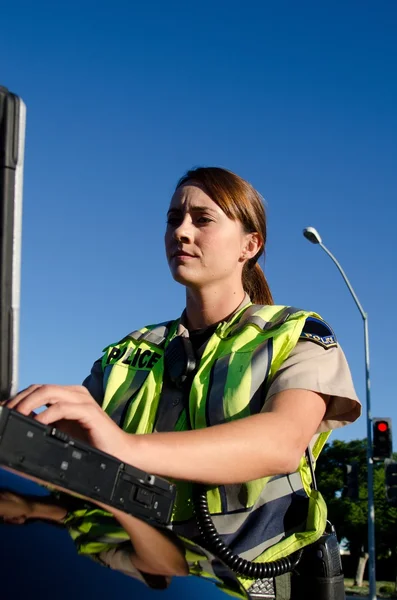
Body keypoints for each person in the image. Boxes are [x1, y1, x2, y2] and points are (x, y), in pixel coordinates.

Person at [2, 167, 361, 599]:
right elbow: (84, 471)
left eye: (202, 219)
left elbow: (281, 444)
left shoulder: (295, 332)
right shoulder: (127, 352)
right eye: (174, 219)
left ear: (251, 244)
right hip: (154, 574)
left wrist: (124, 447)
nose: (182, 232)